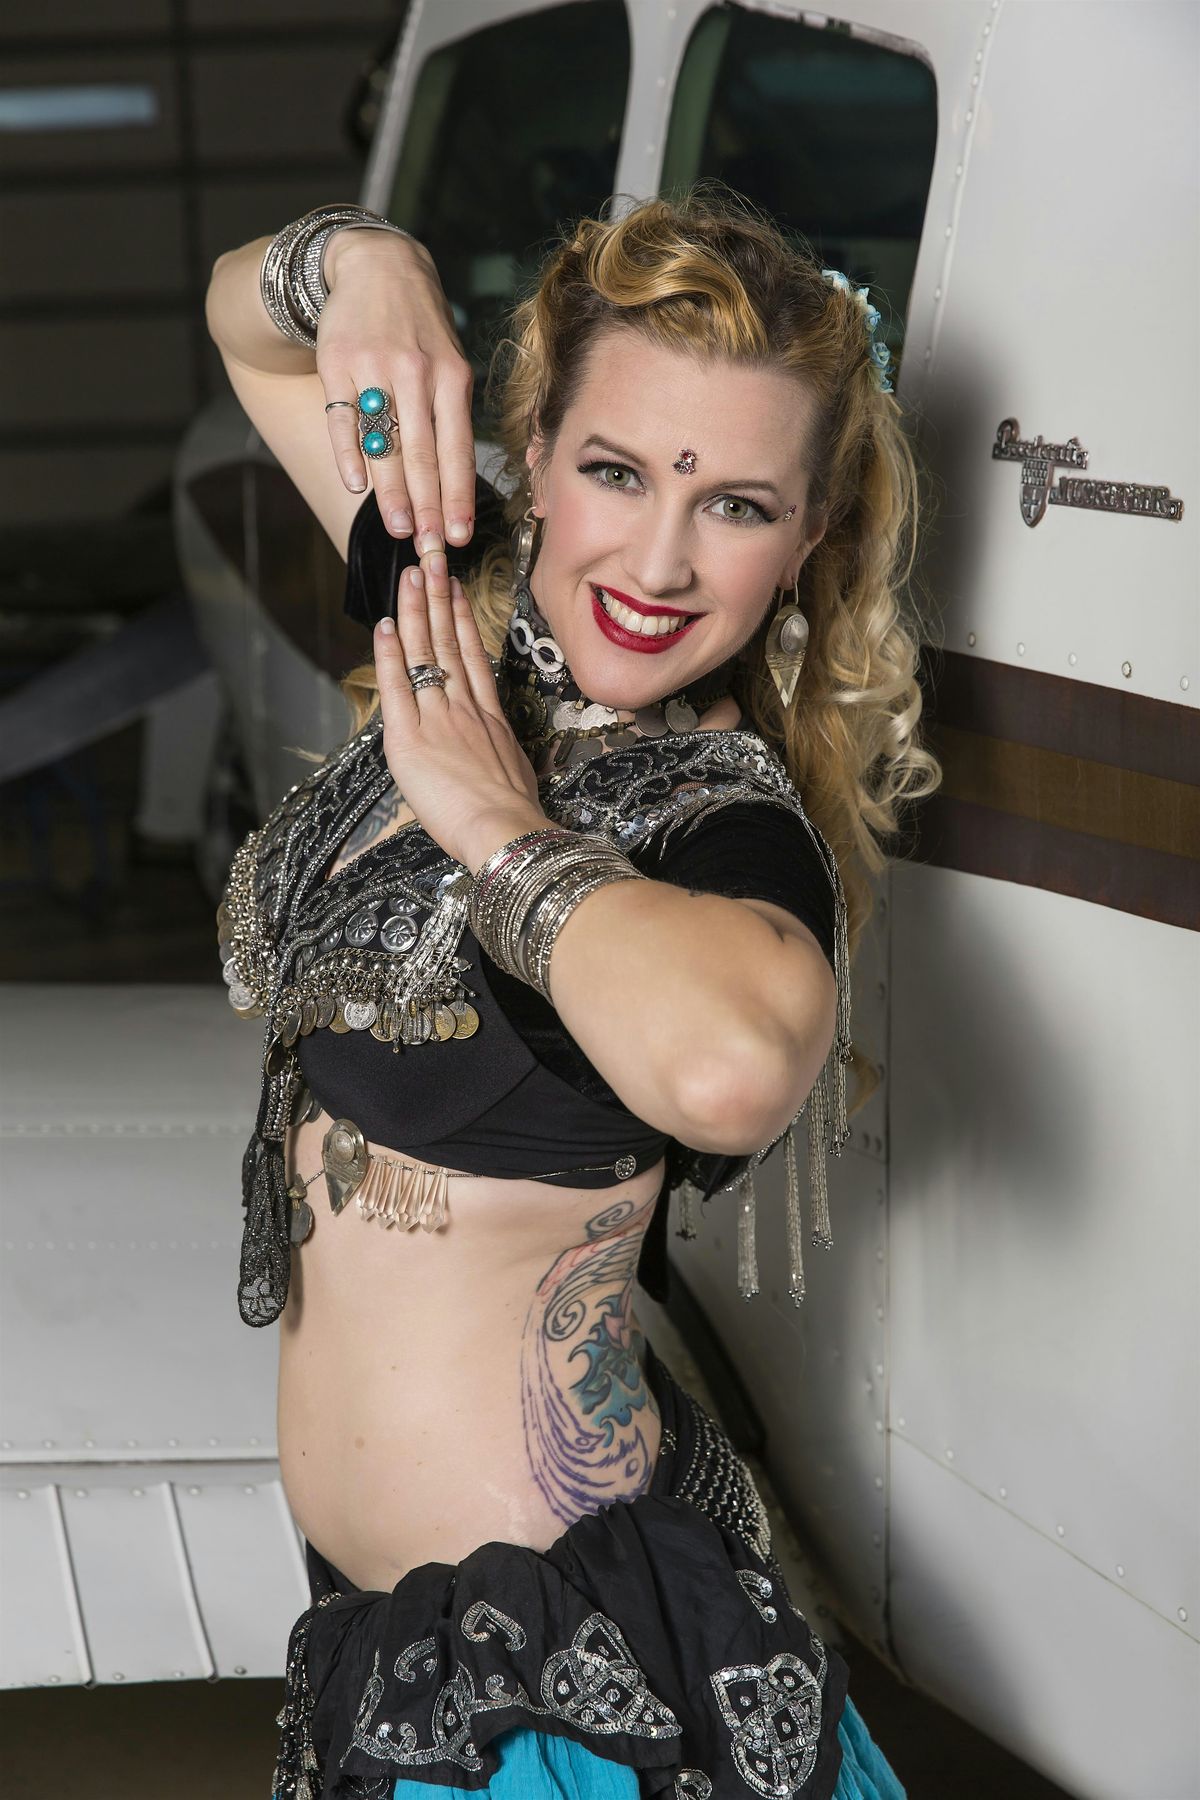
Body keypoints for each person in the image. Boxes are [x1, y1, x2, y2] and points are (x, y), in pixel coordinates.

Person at [205, 187, 939, 1800]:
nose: (659, 562)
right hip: (399, 1640)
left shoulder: (719, 821)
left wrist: (500, 828)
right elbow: (247, 333)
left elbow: (735, 1069)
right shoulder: (450, 611)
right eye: (617, 471)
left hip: (570, 1675)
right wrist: (364, 263)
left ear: (810, 538)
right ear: (529, 452)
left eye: (737, 504)